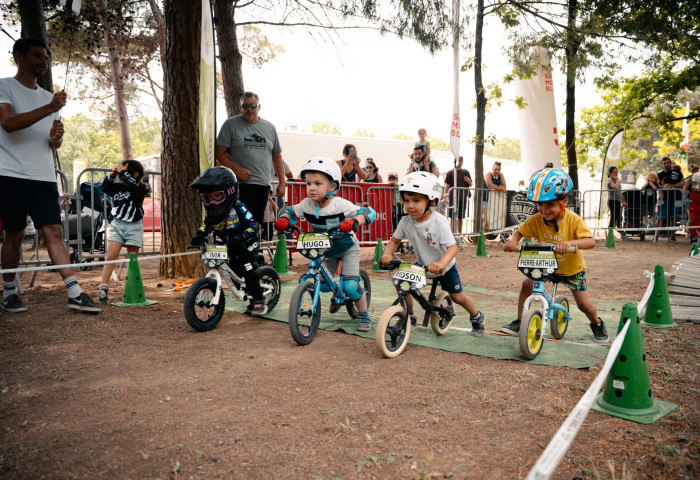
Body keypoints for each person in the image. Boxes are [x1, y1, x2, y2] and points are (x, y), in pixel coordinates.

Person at [0, 38, 100, 313]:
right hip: (11, 173)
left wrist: (56, 139)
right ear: (19, 56)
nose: (43, 61)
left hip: (44, 176)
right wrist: (49, 108)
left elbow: (52, 142)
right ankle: (9, 291)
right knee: (15, 234)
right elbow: (7, 123)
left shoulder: (49, 98)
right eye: (37, 56)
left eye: (45, 57)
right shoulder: (4, 86)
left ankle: (75, 292)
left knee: (54, 230)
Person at [501, 168, 608, 343]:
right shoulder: (536, 220)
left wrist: (571, 243)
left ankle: (596, 323)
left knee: (584, 305)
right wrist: (513, 240)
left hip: (572, 270)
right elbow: (519, 232)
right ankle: (520, 321)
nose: (543, 209)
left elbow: (591, 242)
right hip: (547, 265)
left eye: (550, 204)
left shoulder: (574, 220)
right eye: (539, 204)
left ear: (564, 201)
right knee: (527, 283)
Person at [275, 157, 376, 331]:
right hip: (326, 249)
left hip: (347, 247)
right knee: (319, 284)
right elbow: (289, 210)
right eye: (308, 184)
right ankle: (338, 294)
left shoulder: (340, 204)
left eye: (318, 184)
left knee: (351, 286)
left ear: (333, 187)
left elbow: (368, 211)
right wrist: (284, 218)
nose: (312, 188)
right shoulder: (306, 205)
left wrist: (355, 221)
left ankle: (364, 315)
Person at [379, 172, 486, 335]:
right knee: (402, 285)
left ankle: (477, 317)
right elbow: (394, 241)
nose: (410, 206)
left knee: (457, 297)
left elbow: (452, 248)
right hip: (423, 264)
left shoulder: (439, 222)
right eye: (406, 200)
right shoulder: (405, 221)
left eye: (416, 200)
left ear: (432, 201)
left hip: (444, 266)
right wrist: (387, 254)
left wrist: (441, 264)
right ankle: (409, 316)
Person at [189, 166, 268, 315]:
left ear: (230, 192)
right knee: (232, 267)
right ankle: (245, 290)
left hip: (249, 242)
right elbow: (205, 227)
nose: (212, 202)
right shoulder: (212, 215)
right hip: (229, 245)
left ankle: (259, 300)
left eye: (217, 196)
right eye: (207, 198)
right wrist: (197, 237)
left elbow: (254, 227)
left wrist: (242, 237)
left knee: (246, 266)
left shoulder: (238, 208)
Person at [215, 91, 286, 225]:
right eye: (245, 106)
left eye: (252, 106)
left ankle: (255, 245)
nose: (249, 109)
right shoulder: (230, 124)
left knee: (256, 224)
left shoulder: (269, 127)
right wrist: (236, 170)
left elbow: (277, 157)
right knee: (240, 222)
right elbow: (219, 152)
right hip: (240, 184)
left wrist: (282, 182)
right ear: (240, 107)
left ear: (259, 107)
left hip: (263, 184)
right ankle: (238, 246)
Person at [98, 160, 148, 303]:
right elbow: (104, 187)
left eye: (124, 169)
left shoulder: (139, 187)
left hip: (134, 226)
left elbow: (133, 186)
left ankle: (132, 289)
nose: (121, 172)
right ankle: (103, 288)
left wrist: (124, 172)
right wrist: (112, 175)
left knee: (132, 259)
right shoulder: (118, 187)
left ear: (135, 173)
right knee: (111, 255)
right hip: (118, 225)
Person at [657, 157, 684, 242]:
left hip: (676, 198)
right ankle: (656, 235)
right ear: (662, 164)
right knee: (660, 217)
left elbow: (683, 182)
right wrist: (663, 187)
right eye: (664, 163)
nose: (666, 165)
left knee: (674, 217)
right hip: (664, 199)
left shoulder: (677, 173)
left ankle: (672, 236)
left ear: (671, 163)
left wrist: (673, 187)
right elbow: (656, 184)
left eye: (668, 163)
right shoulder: (660, 174)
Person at [443, 155, 473, 234]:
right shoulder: (450, 172)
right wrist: (445, 197)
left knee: (460, 218)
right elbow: (447, 186)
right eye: (458, 160)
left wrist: (468, 181)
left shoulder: (466, 172)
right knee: (452, 218)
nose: (459, 162)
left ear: (462, 162)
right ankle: (452, 234)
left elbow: (471, 184)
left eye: (461, 160)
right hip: (453, 198)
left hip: (463, 198)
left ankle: (460, 235)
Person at [482, 161, 507, 232]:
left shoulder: (500, 175)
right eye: (495, 169)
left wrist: (501, 188)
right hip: (484, 199)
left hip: (493, 200)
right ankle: (483, 238)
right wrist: (501, 188)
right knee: (485, 219)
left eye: (498, 170)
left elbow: (504, 186)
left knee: (491, 218)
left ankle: (487, 236)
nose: (496, 171)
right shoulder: (488, 174)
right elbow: (490, 185)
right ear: (492, 168)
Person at [606, 166, 628, 240]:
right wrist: (617, 179)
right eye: (614, 172)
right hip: (612, 200)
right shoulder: (609, 180)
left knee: (619, 217)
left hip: (618, 200)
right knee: (614, 217)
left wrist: (623, 200)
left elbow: (619, 191)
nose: (616, 173)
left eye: (617, 172)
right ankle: (610, 234)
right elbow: (615, 187)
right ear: (610, 173)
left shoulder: (617, 180)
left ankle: (622, 234)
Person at [687, 165, 700, 245]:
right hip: (696, 199)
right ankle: (695, 237)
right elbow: (694, 186)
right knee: (695, 218)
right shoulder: (696, 175)